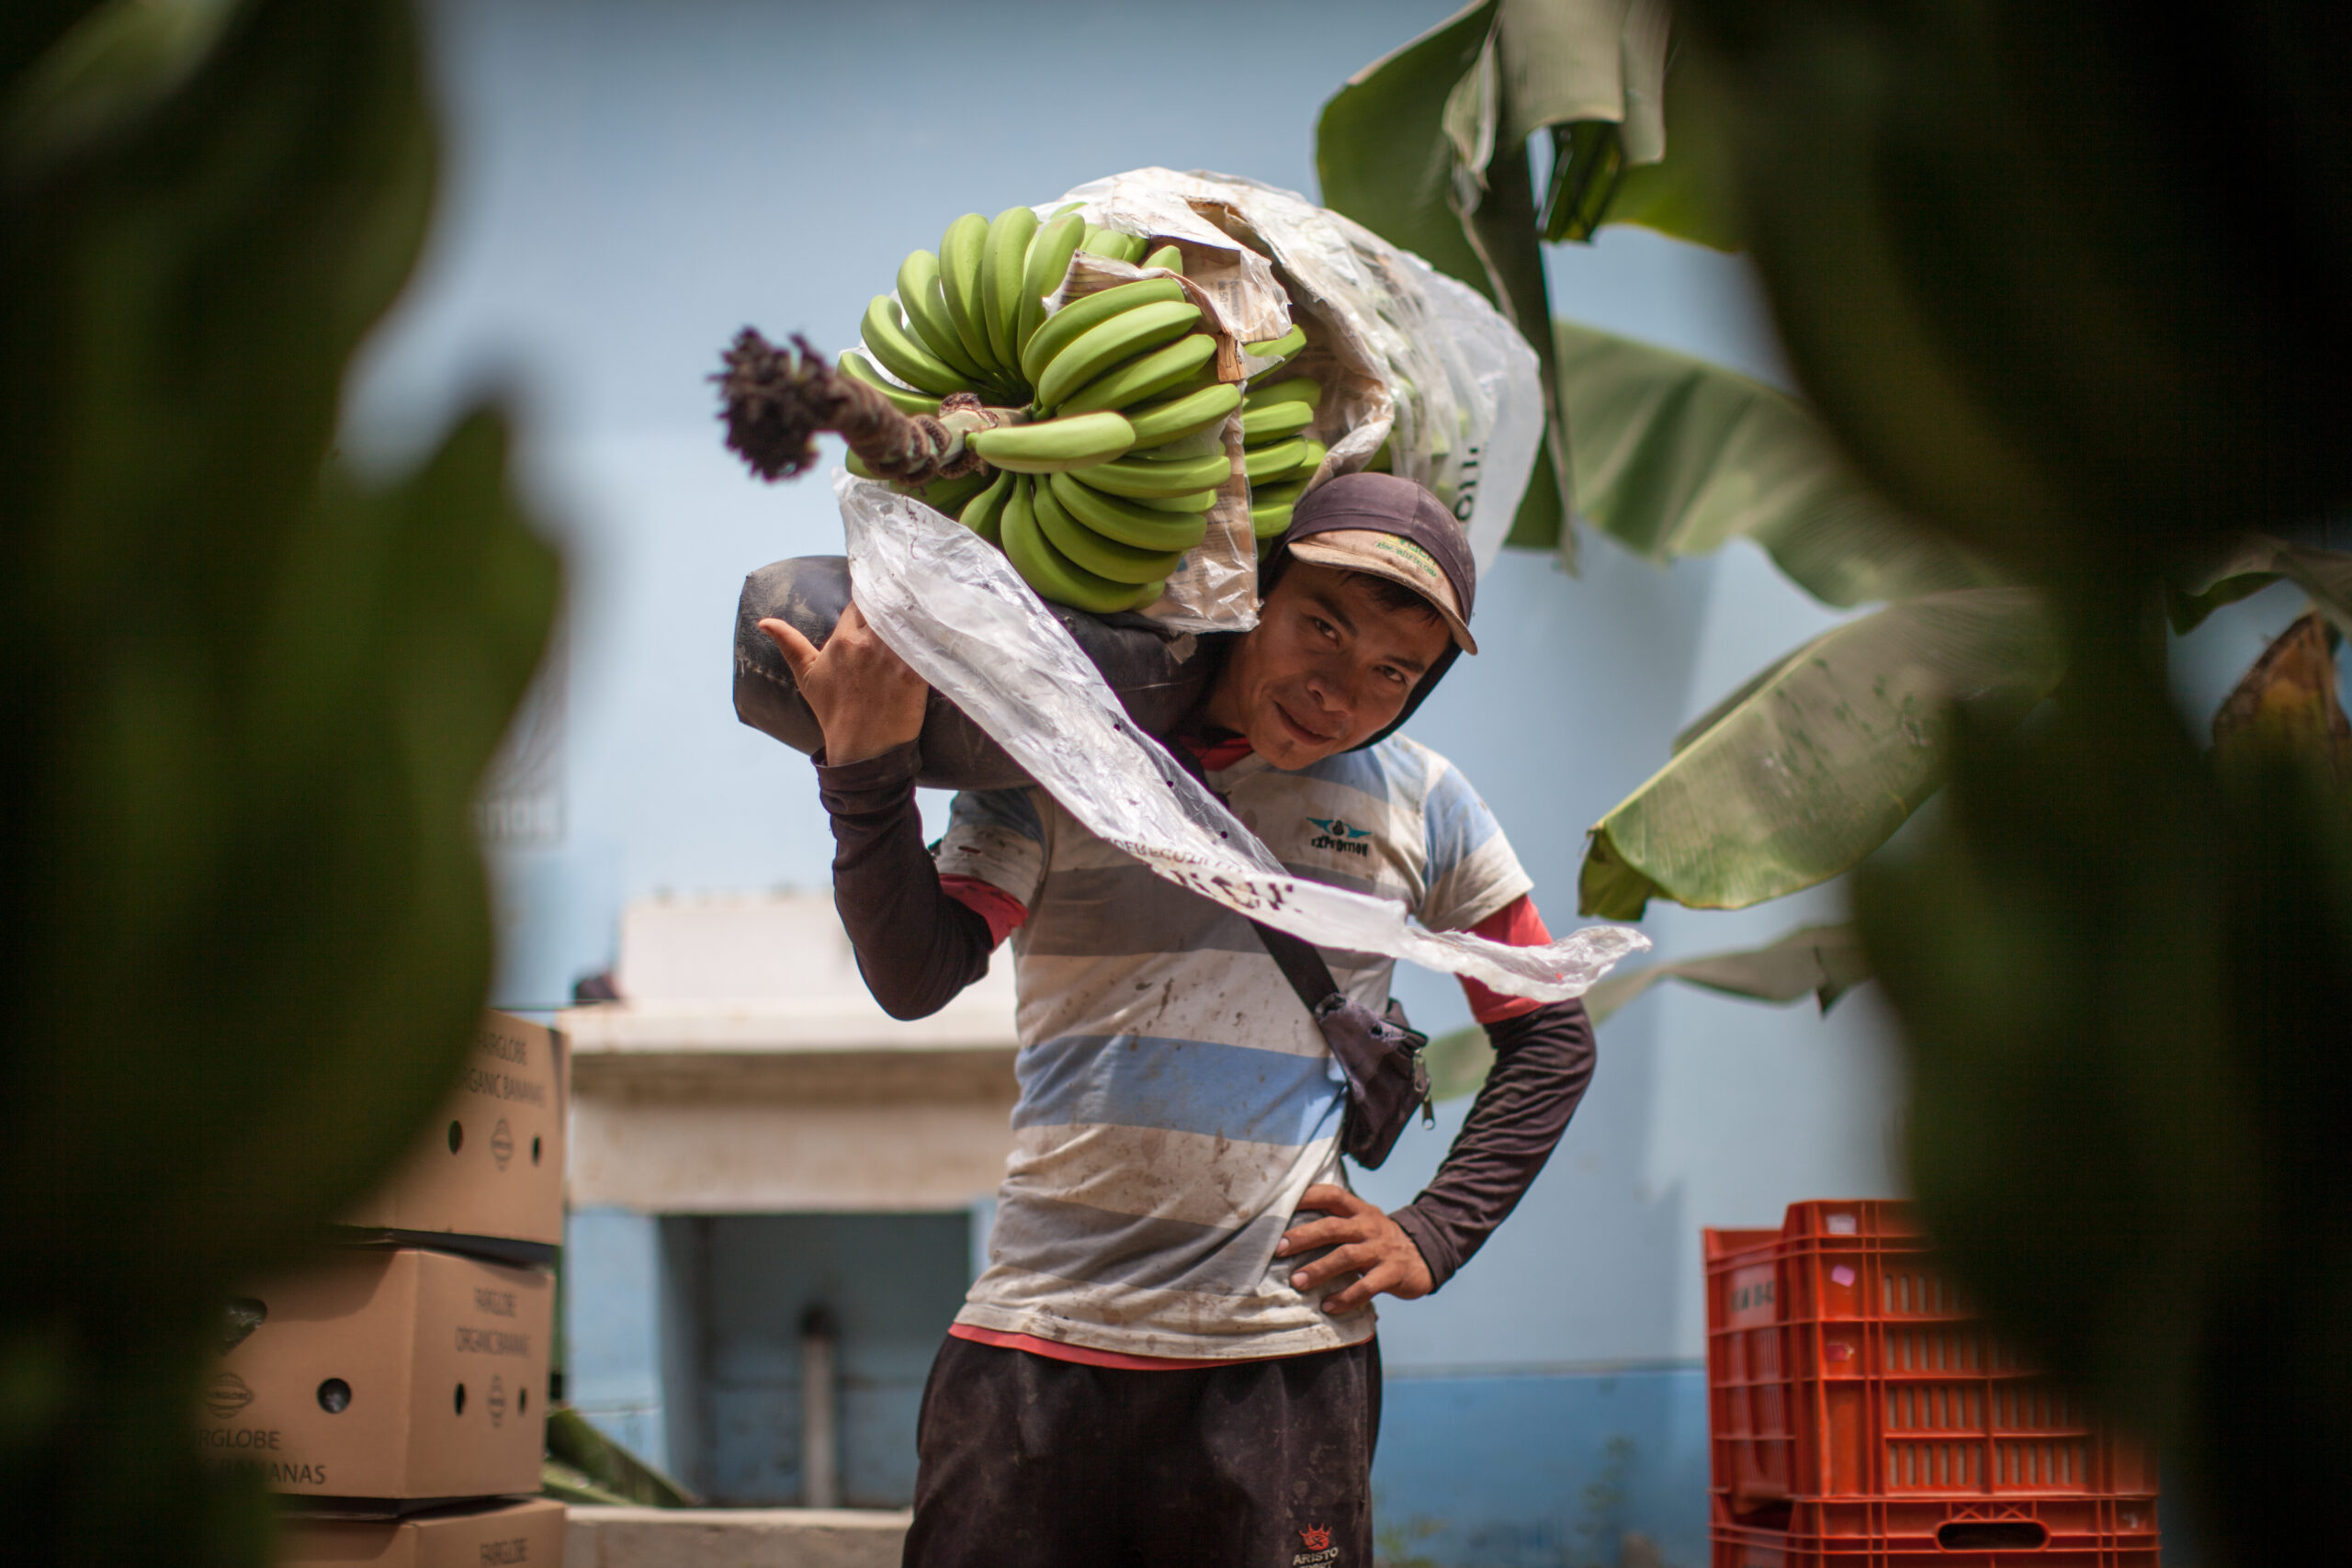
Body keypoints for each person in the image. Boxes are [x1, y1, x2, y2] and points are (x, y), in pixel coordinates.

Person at [761, 472, 1596, 1568]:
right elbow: (919, 971)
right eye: (1320, 628)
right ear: (1255, 595)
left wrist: (1433, 1234)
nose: (1339, 691)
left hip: (1278, 1364)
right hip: (1039, 1339)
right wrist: (862, 776)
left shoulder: (1423, 803)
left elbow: (1552, 1036)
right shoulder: (1072, 758)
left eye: (1391, 672)